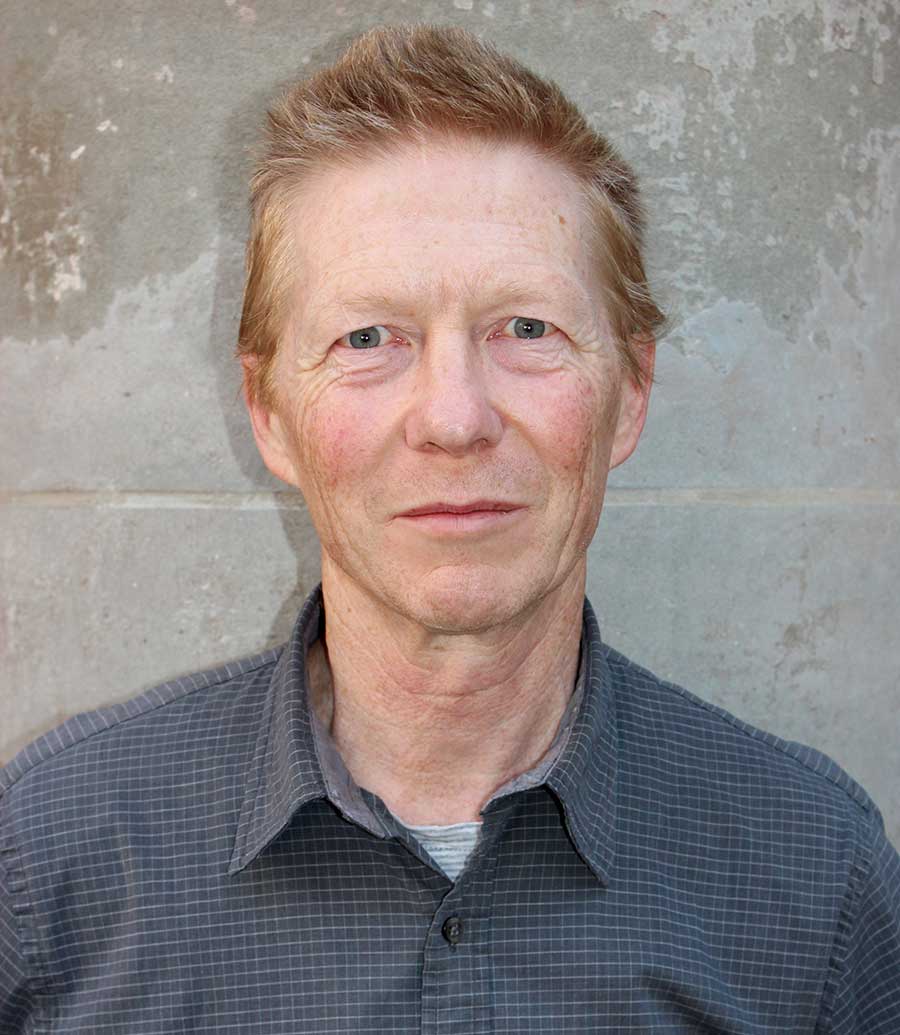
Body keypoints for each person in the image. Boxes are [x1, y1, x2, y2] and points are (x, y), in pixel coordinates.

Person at [1, 22, 898, 1034]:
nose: (455, 418)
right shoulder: (46, 864)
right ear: (268, 412)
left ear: (632, 392)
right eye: (368, 338)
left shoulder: (817, 876)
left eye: (527, 328)